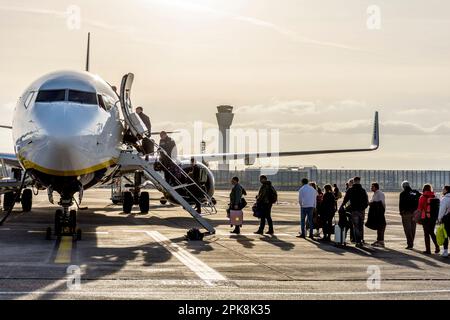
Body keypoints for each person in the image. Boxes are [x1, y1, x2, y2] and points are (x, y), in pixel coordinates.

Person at [341, 176, 368, 248]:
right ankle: (361, 240)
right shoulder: (363, 190)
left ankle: (358, 242)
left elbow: (345, 200)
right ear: (359, 181)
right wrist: (363, 208)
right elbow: (366, 201)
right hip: (361, 210)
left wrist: (342, 206)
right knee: (360, 225)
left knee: (355, 226)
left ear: (354, 181)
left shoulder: (350, 190)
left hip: (354, 210)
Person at [418, 184, 440, 254]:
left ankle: (428, 250)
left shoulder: (422, 197)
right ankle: (437, 246)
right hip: (433, 217)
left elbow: (420, 208)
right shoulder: (434, 196)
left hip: (425, 217)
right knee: (432, 232)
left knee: (426, 233)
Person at [399, 181, 421, 250]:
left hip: (406, 213)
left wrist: (401, 212)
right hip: (415, 213)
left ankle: (410, 244)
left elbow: (401, 204)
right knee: (413, 228)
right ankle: (411, 242)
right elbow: (421, 197)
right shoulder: (416, 192)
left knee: (407, 229)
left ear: (403, 186)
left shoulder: (402, 193)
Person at [368, 183, 386, 248]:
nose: (371, 188)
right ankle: (379, 240)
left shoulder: (380, 193)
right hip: (376, 213)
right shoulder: (375, 193)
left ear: (376, 187)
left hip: (379, 213)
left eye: (372, 186)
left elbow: (381, 203)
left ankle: (381, 241)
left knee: (381, 226)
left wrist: (371, 203)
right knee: (378, 227)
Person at [438, 186, 450, 258]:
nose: (442, 190)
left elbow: (441, 211)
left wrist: (439, 219)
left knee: (445, 235)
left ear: (446, 190)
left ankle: (445, 251)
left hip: (447, 219)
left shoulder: (445, 199)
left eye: (443, 189)